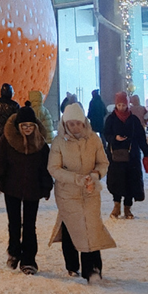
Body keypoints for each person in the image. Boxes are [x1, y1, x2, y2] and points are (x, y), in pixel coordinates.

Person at [47, 102, 115, 283]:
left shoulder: (94, 139)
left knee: (91, 227)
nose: (75, 127)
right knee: (71, 227)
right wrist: (75, 178)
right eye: (71, 124)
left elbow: (103, 163)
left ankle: (93, 269)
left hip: (90, 191)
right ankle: (72, 265)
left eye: (78, 123)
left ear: (84, 122)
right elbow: (54, 168)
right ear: (65, 124)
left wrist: (96, 174)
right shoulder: (59, 142)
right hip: (67, 193)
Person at [0, 103, 53, 274]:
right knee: (14, 223)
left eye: (30, 126)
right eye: (24, 126)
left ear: (35, 126)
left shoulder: (40, 143)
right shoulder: (7, 140)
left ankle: (29, 259)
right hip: (12, 188)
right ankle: (14, 252)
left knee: (30, 225)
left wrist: (46, 186)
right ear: (18, 126)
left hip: (33, 188)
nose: (27, 129)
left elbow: (46, 167)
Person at [103, 92, 148, 218]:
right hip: (115, 156)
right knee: (116, 181)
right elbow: (106, 134)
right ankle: (116, 207)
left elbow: (141, 138)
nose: (121, 107)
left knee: (130, 181)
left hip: (132, 156)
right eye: (119, 104)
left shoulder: (134, 120)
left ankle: (127, 208)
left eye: (123, 104)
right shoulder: (111, 119)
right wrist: (114, 138)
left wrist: (146, 152)